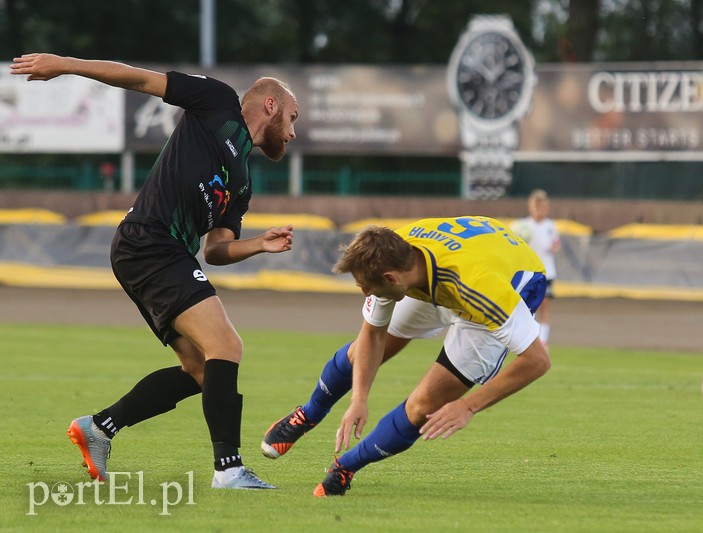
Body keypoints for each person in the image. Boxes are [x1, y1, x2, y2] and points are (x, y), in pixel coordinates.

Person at [10, 53, 299, 489]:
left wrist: (258, 244)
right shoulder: (218, 101)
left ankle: (99, 427)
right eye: (293, 118)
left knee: (204, 368)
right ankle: (229, 470)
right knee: (227, 346)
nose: (294, 133)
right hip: (149, 241)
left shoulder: (241, 181)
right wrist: (65, 64)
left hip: (164, 252)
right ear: (271, 106)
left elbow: (216, 250)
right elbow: (141, 80)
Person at [261, 216, 551, 496]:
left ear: (390, 278)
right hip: (452, 267)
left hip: (503, 283)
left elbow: (537, 361)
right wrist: (358, 399)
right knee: (360, 350)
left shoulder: (481, 288)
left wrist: (468, 406)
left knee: (423, 405)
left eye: (366, 287)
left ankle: (345, 467)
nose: (364, 292)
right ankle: (308, 414)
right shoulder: (394, 252)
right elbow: (372, 336)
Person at [510, 189, 560, 346]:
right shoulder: (522, 226)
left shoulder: (550, 226)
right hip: (529, 272)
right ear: (531, 208)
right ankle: (529, 340)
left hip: (547, 272)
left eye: (543, 207)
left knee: (545, 305)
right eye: (537, 207)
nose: (540, 211)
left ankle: (543, 341)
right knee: (527, 308)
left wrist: (554, 247)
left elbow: (555, 244)